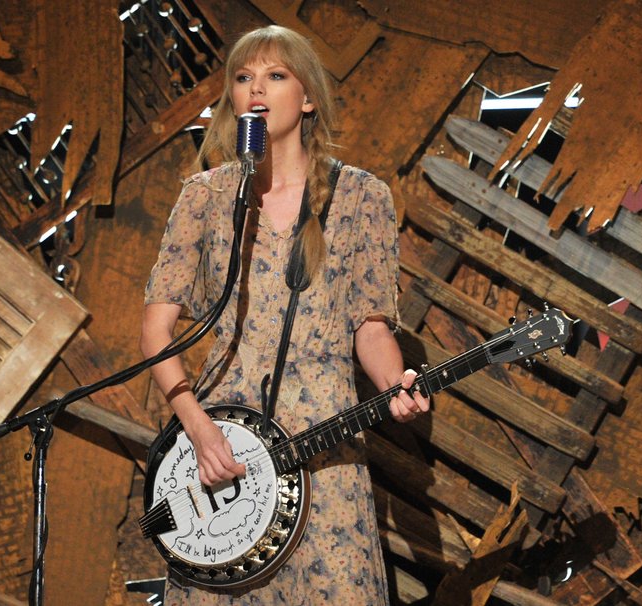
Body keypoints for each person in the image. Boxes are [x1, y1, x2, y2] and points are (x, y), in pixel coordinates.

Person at [140, 24, 429, 605]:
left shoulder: (360, 196)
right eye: (243, 78)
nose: (257, 90)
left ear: (309, 97)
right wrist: (198, 429)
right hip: (226, 446)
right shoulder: (205, 196)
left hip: (325, 446)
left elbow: (370, 326)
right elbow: (155, 329)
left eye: (276, 75)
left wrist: (393, 385)